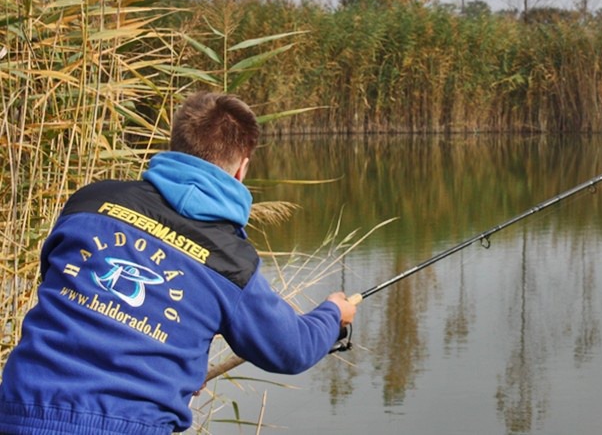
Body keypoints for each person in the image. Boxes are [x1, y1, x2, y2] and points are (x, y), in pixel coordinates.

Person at [0, 91, 357, 434]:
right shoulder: (229, 261)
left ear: (175, 145)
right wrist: (332, 315)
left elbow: (56, 280)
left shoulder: (92, 202)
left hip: (18, 409)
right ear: (241, 169)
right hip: (130, 424)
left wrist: (175, 359)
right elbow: (290, 350)